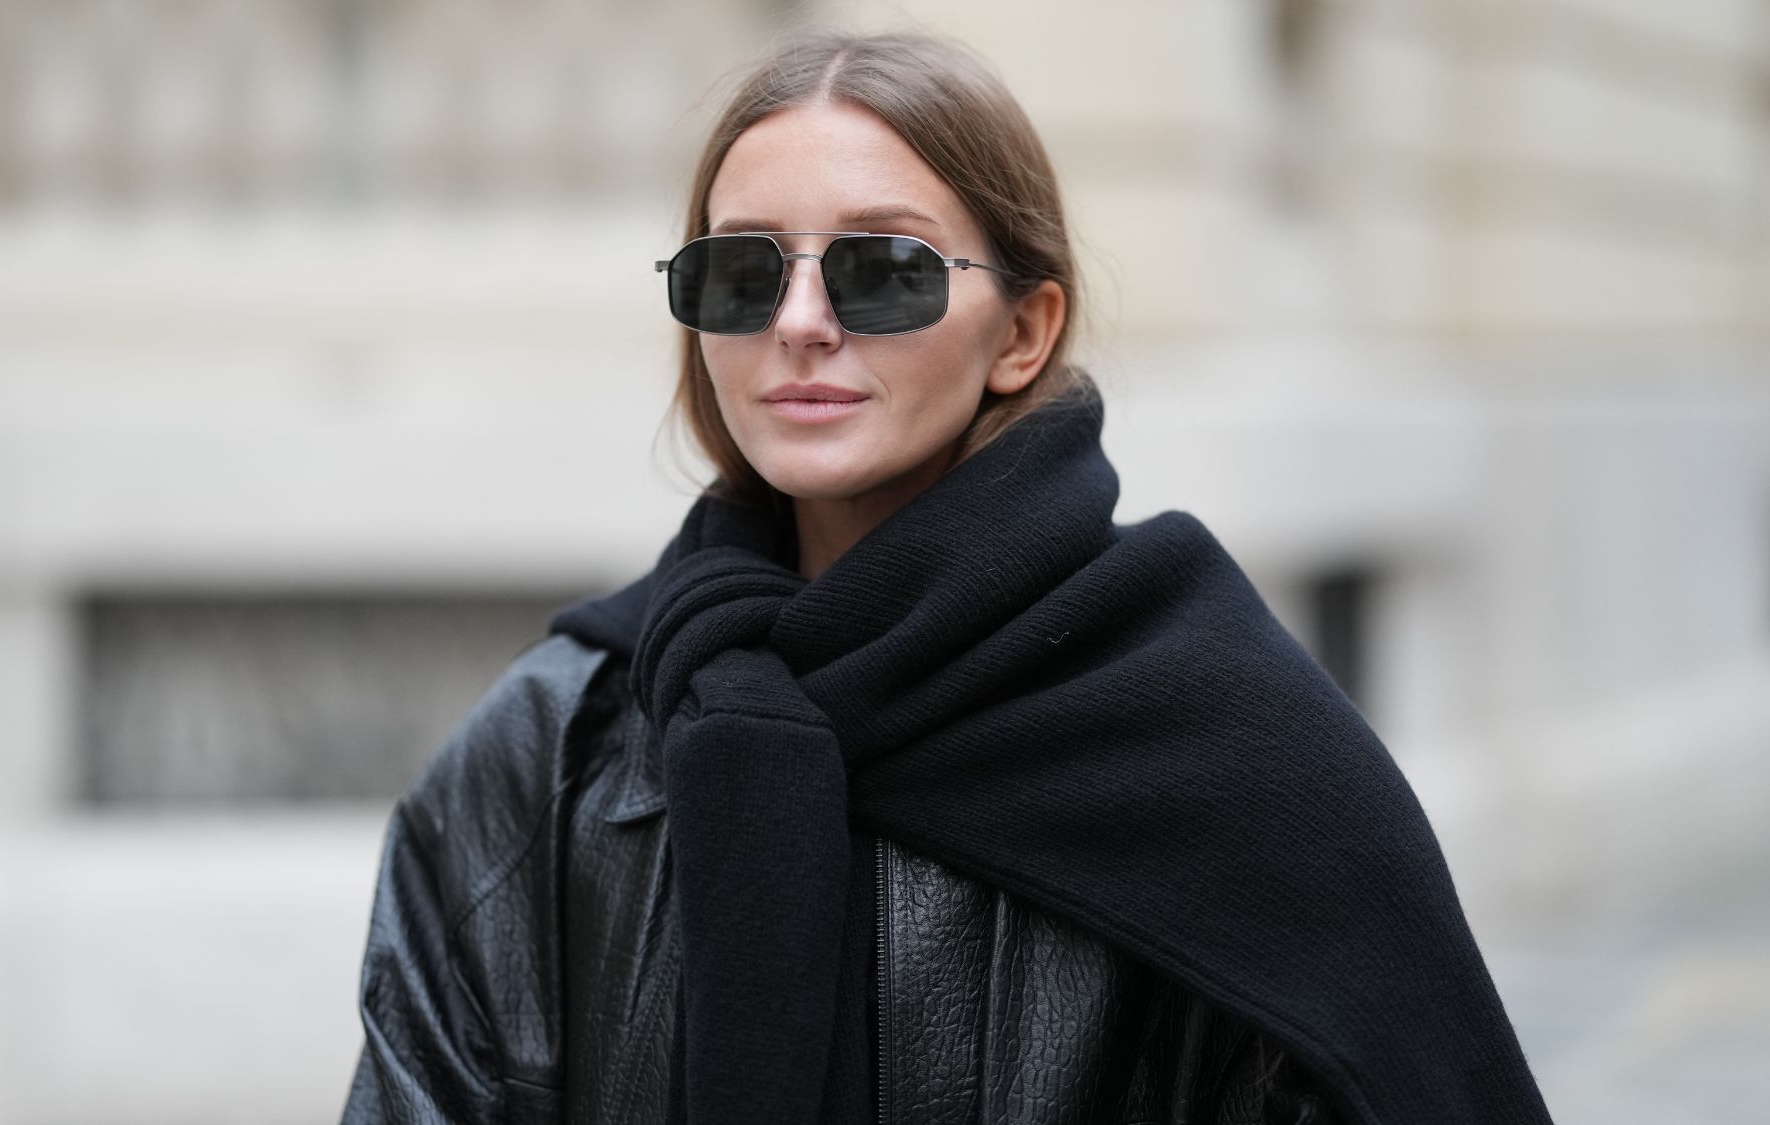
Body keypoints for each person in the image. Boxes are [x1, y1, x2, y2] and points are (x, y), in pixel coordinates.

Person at [338, 29, 1555, 1125]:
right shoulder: (555, 739)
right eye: (739, 272)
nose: (798, 322)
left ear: (1022, 332)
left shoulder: (1237, 745)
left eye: (882, 268)